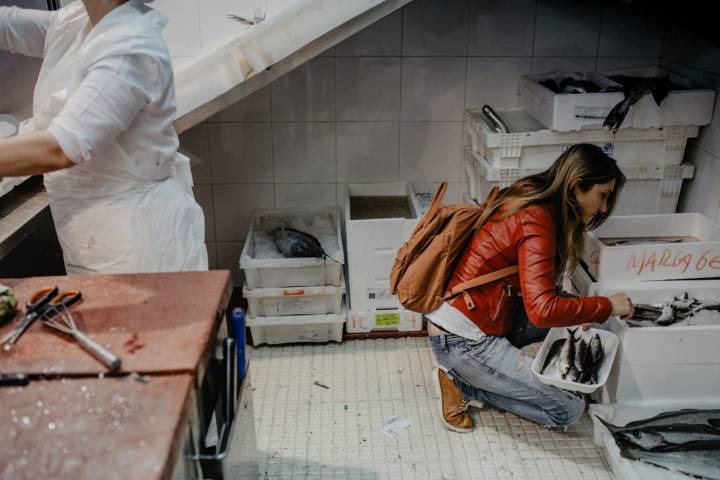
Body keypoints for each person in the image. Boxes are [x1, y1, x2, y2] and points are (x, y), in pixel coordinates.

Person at [428, 143, 634, 432]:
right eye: (603, 195)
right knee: (569, 409)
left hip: (485, 313)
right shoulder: (536, 220)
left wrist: (583, 311)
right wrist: (607, 305)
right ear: (576, 185)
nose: (602, 207)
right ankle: (464, 385)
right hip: (462, 340)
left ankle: (476, 377)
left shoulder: (532, 194)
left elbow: (538, 295)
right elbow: (542, 310)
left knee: (586, 326)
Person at [0, 0, 207, 274]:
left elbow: (61, 148)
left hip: (135, 243)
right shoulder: (81, 21)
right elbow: (9, 26)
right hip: (96, 235)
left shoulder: (131, 47)